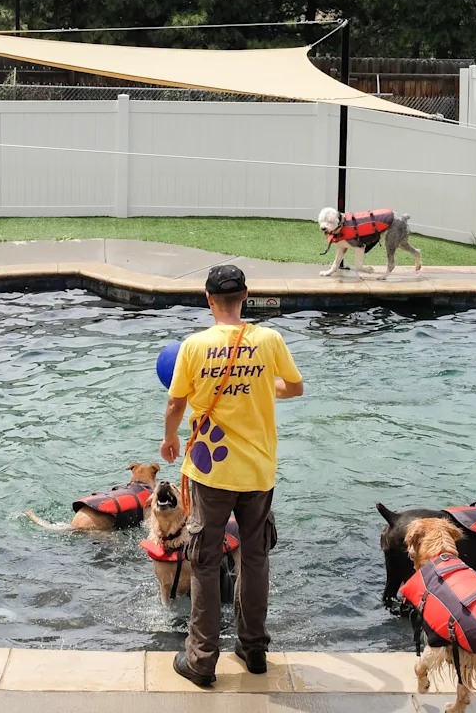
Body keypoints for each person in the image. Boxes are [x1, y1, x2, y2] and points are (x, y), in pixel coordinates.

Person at [160, 264, 304, 687]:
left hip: (210, 469)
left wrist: (170, 439)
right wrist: (262, 386)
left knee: (204, 561)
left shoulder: (194, 345)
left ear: (208, 300)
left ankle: (202, 660)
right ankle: (253, 648)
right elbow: (294, 388)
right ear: (246, 297)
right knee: (255, 557)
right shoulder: (269, 339)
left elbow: (175, 403)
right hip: (259, 470)